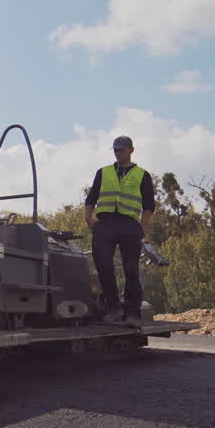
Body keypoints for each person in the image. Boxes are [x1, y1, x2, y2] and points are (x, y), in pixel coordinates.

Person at [84, 135, 155, 326]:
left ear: (131, 150)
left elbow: (149, 206)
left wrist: (142, 228)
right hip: (105, 224)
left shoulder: (142, 175)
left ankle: (132, 312)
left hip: (129, 225)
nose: (118, 153)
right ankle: (113, 307)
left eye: (121, 149)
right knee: (103, 264)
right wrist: (89, 219)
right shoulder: (103, 172)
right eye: (115, 149)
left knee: (130, 268)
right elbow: (91, 198)